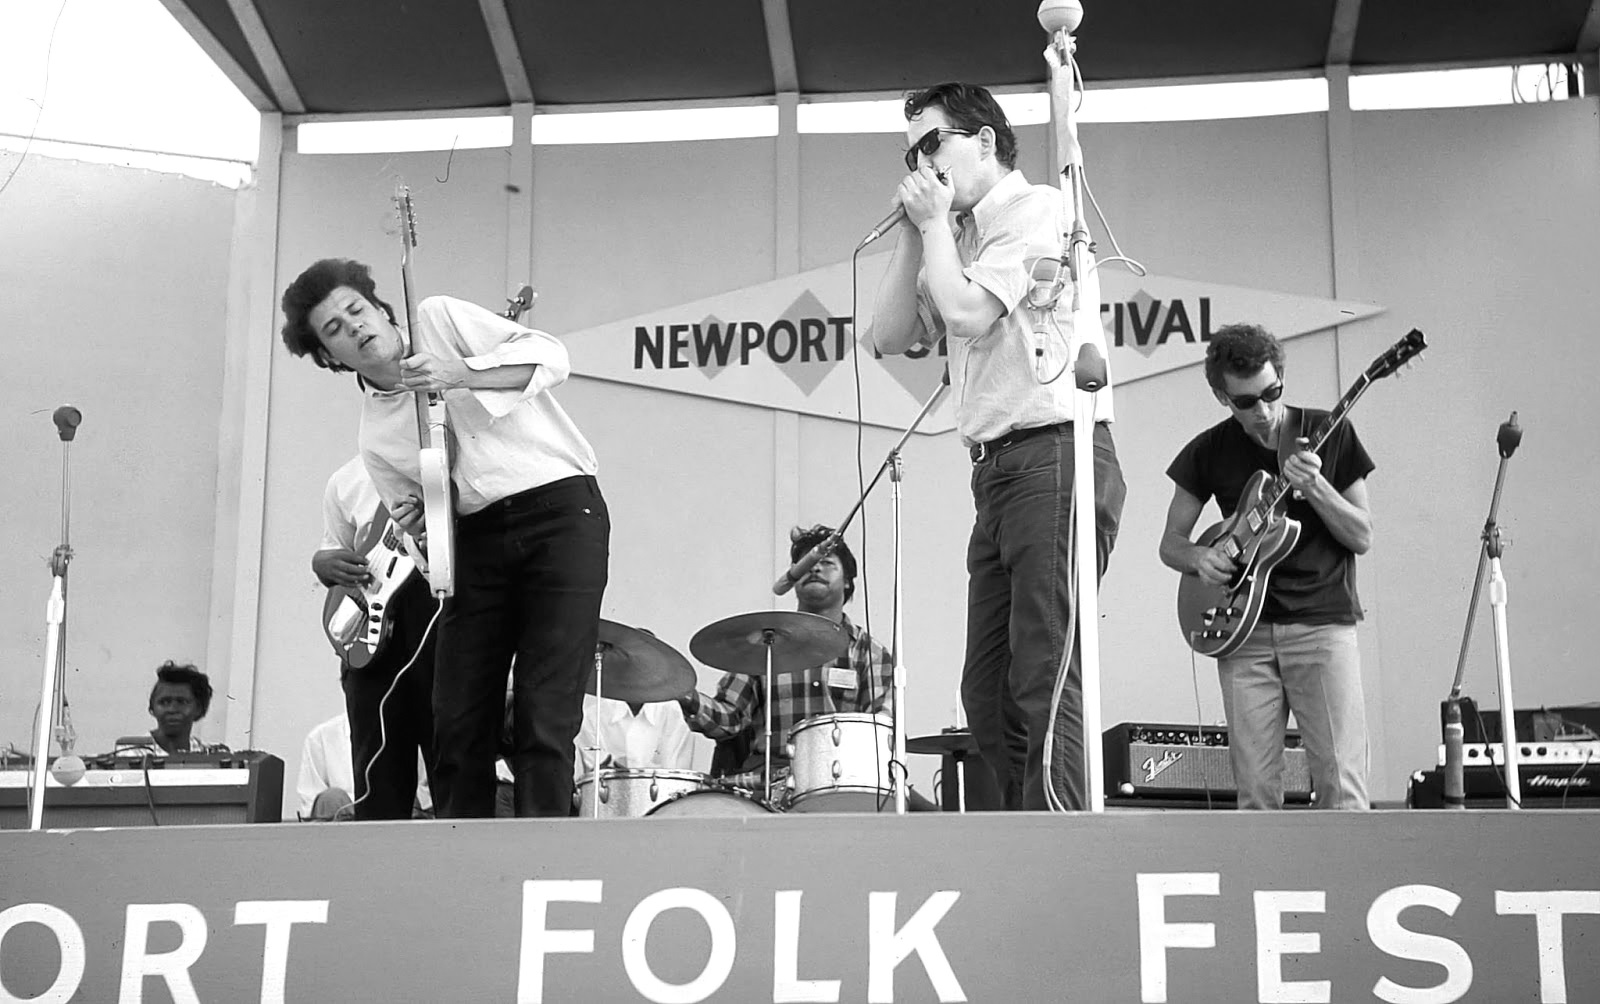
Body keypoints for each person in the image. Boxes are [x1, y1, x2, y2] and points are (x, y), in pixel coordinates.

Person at [867, 82, 1126, 810]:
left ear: (984, 140)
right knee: (987, 689)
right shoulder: (956, 237)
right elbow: (889, 334)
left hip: (1054, 453)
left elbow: (964, 312)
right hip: (996, 473)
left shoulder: (1036, 210)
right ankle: (1025, 829)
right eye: (911, 155)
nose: (923, 163)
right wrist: (915, 231)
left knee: (1046, 665)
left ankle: (1062, 835)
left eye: (932, 143)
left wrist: (935, 224)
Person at [281, 259, 610, 818]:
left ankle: (543, 852)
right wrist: (424, 526)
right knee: (456, 720)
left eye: (356, 310)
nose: (354, 327)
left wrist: (458, 372)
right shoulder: (375, 437)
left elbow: (551, 357)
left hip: (559, 511)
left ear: (382, 310)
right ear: (331, 357)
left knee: (546, 711)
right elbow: (430, 551)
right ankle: (463, 853)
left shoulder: (437, 319)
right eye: (334, 329)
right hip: (475, 540)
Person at [1158, 323, 1373, 810]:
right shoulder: (1207, 450)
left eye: (1272, 393)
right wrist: (1201, 557)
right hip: (1243, 632)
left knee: (1343, 788)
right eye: (1246, 401)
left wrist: (1316, 488)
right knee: (1255, 795)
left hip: (1321, 625)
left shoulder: (1329, 432)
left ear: (1281, 379)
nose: (1264, 410)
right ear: (1222, 397)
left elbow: (1362, 535)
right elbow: (1170, 544)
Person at [678, 525, 892, 798]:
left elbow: (878, 733)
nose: (815, 568)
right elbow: (729, 719)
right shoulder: (763, 640)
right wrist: (683, 693)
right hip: (764, 786)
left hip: (839, 786)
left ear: (848, 581)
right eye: (806, 564)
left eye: (827, 563)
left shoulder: (871, 653)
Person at [312, 456, 437, 821]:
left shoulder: (445, 462)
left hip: (438, 616)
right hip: (372, 634)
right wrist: (323, 565)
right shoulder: (346, 479)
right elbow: (335, 547)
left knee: (451, 762)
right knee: (377, 772)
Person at [296, 712, 433, 821]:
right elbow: (311, 807)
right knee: (331, 799)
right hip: (340, 830)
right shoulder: (320, 738)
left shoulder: (414, 733)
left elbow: (426, 801)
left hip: (398, 825)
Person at [146, 661, 212, 755]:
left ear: (199, 708)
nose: (172, 709)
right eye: (164, 702)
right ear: (152, 707)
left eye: (182, 702)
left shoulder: (209, 755)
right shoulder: (130, 753)